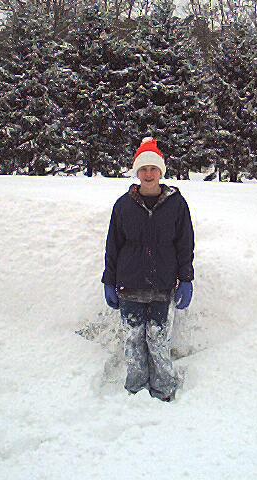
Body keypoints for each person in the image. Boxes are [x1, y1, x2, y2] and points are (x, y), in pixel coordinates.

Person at [101, 137, 195, 402]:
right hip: (129, 284)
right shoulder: (123, 205)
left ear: (161, 171)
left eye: (153, 168)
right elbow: (113, 244)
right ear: (137, 172)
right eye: (143, 169)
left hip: (162, 285)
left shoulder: (177, 204)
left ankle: (164, 389)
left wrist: (185, 278)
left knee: (158, 340)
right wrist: (109, 281)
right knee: (133, 340)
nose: (149, 174)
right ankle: (135, 389)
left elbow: (185, 243)